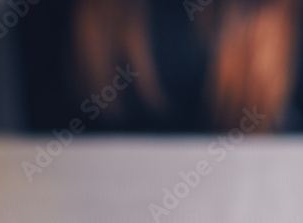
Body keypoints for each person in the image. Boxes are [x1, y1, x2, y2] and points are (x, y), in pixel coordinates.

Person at [20, 0, 303, 134]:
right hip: (84, 213)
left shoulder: (288, 16)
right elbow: (42, 141)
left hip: (250, 214)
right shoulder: (63, 12)